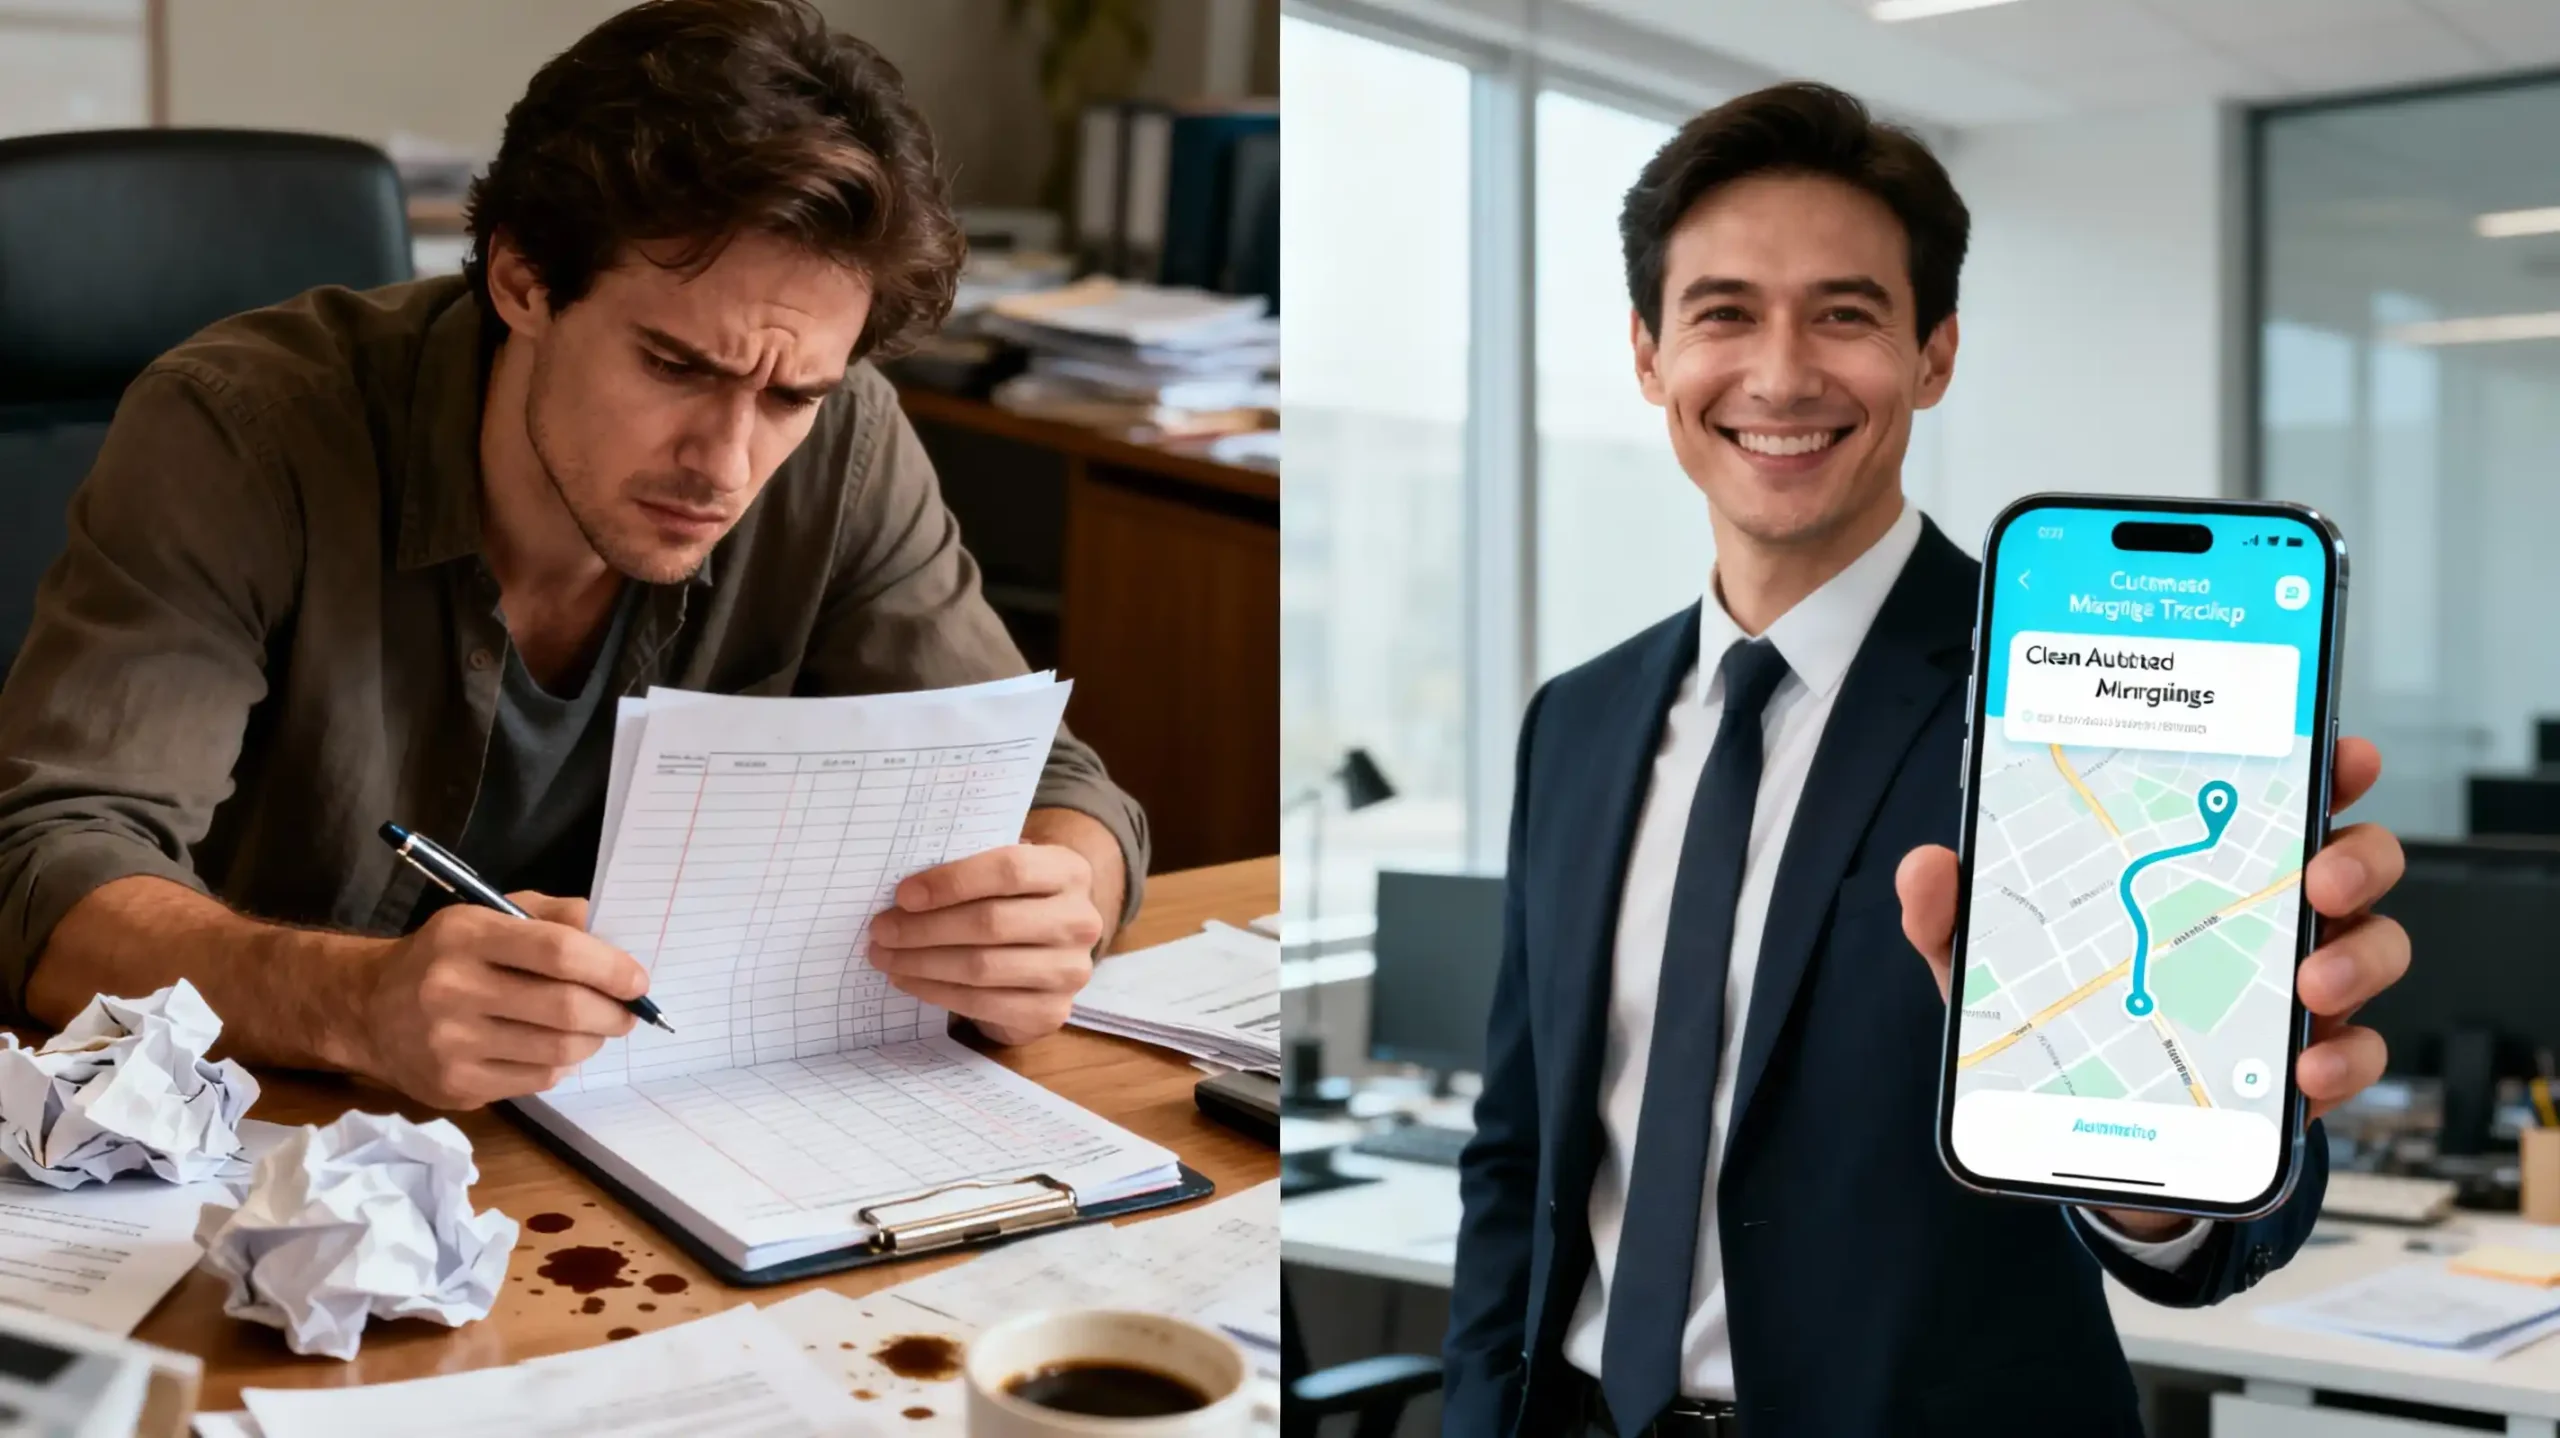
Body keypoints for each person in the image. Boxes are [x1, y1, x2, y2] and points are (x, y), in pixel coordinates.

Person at [1441, 83, 2410, 1437]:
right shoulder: (1578, 720)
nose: (1782, 375)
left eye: (1844, 314)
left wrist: (2151, 1173)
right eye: (1724, 313)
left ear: (1934, 354)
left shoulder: (2078, 704)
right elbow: (1518, 1150)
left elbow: (2215, 1241)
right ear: (1650, 355)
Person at [0, 0, 1146, 1112]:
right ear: (522, 280)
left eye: (789, 396)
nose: (727, 465)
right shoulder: (240, 431)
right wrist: (356, 999)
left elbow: (1054, 787)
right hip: (273, 1126)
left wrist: (1057, 903)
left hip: (652, 1124)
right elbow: (47, 862)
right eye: (676, 367)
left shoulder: (841, 442)